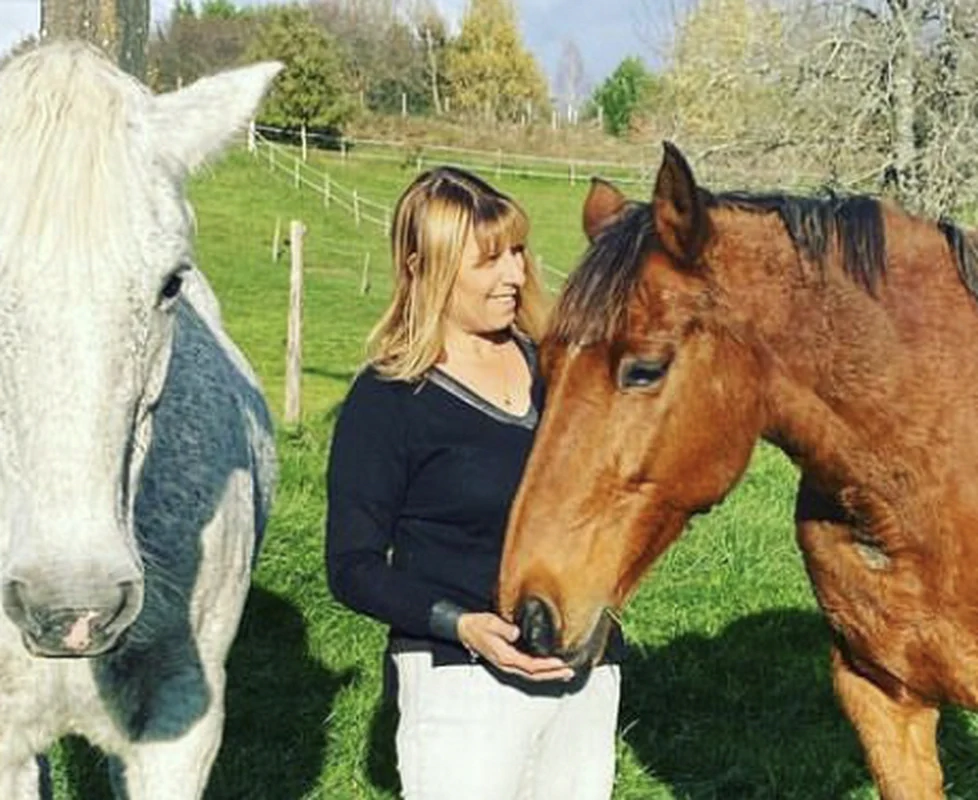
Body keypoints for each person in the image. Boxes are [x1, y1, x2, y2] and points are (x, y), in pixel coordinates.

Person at [325, 166, 623, 800]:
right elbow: (351, 565)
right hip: (463, 683)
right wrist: (463, 626)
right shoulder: (390, 400)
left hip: (584, 675)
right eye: (489, 260)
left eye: (516, 251)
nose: (515, 274)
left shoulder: (560, 375)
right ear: (421, 267)